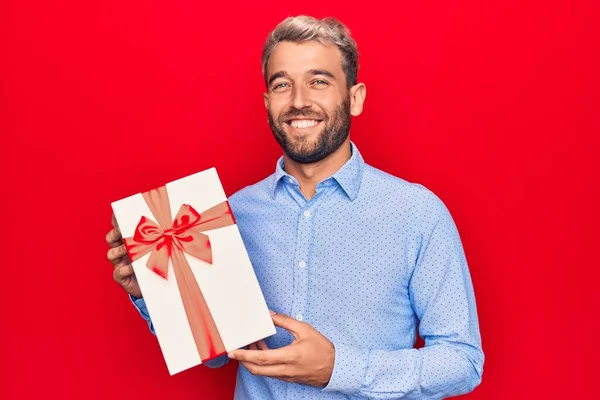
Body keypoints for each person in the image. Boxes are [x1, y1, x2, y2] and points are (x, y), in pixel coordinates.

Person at [106, 15, 484, 399]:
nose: (299, 100)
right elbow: (218, 354)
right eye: (282, 84)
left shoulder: (417, 213)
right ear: (268, 102)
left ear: (354, 98)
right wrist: (153, 295)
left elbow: (462, 362)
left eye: (319, 81)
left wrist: (338, 368)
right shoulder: (233, 214)